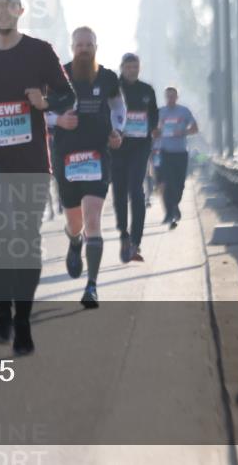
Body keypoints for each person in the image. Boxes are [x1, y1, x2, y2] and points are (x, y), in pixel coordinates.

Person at [0, 0, 75, 355]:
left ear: (20, 11)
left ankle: (22, 320)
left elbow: (68, 95)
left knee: (25, 238)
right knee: (0, 231)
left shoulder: (40, 51)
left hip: (31, 160)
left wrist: (45, 102)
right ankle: (2, 315)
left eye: (9, 6)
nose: (2, 12)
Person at [52, 27, 125, 308]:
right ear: (72, 47)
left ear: (96, 47)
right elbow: (41, 111)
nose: (84, 49)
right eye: (79, 45)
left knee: (93, 219)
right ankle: (74, 242)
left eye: (88, 45)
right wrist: (59, 121)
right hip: (66, 157)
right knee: (76, 223)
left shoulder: (108, 78)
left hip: (97, 156)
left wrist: (118, 131)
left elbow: (119, 109)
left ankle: (92, 286)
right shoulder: (57, 76)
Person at [110, 53, 158, 262]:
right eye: (128, 67)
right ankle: (124, 234)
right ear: (122, 68)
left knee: (136, 190)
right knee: (119, 191)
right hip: (118, 147)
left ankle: (136, 240)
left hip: (140, 146)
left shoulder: (147, 90)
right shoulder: (113, 89)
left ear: (140, 68)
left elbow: (154, 114)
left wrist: (153, 128)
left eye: (135, 67)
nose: (132, 71)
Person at [154, 87, 199, 229]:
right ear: (165, 97)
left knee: (179, 184)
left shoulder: (184, 111)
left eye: (173, 96)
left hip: (181, 152)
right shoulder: (160, 112)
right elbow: (153, 131)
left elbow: (195, 129)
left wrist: (183, 131)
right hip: (165, 151)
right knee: (167, 182)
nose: (170, 99)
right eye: (168, 96)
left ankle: (174, 205)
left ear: (177, 97)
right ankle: (169, 213)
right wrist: (157, 131)